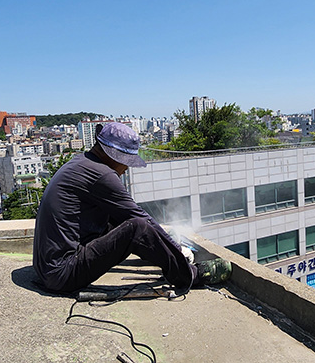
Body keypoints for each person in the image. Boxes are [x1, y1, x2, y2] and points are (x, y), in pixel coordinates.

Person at [32, 122, 230, 293]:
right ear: (113, 156)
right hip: (63, 273)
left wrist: (163, 244)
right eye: (126, 162)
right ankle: (190, 276)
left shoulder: (81, 161)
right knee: (137, 228)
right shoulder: (102, 175)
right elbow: (140, 219)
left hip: (47, 269)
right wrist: (177, 249)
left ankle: (162, 255)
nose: (126, 168)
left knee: (117, 219)